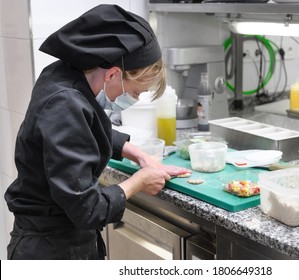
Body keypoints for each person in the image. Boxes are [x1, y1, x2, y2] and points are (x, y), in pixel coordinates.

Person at [4, 4, 191, 260]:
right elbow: (87, 208)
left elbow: (80, 131)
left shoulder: (63, 74)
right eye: (135, 92)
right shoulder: (65, 103)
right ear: (113, 74)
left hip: (62, 240)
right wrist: (140, 181)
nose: (133, 99)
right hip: (50, 250)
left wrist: (136, 154)